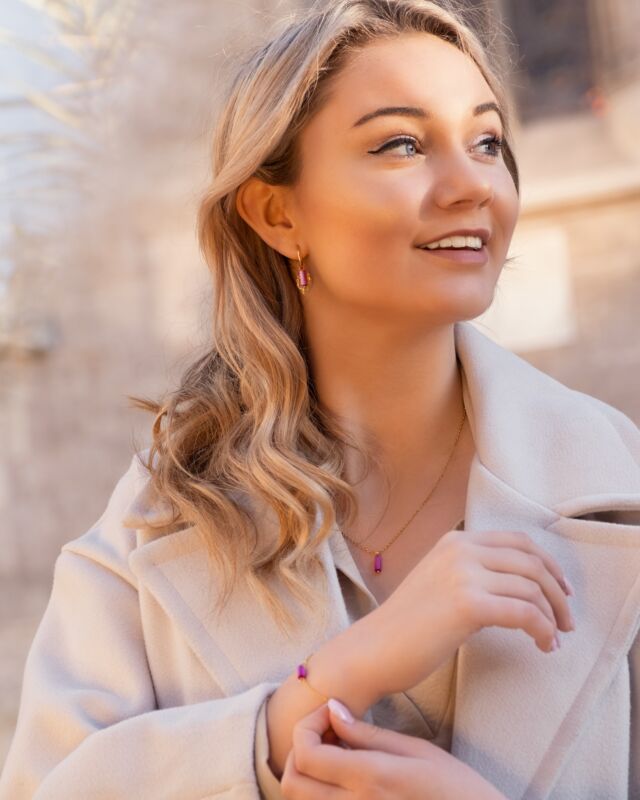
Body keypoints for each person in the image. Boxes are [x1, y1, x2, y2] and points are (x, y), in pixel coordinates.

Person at [2, 1, 639, 798]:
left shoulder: (620, 494)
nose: (472, 183)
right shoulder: (156, 523)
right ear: (277, 213)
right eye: (401, 143)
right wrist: (320, 692)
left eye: (487, 141)